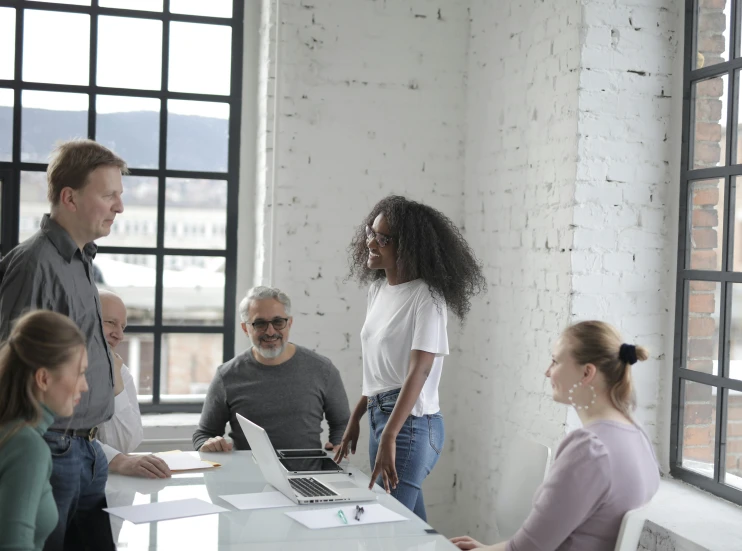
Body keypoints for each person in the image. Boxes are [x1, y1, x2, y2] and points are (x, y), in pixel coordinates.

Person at [0, 139, 126, 551]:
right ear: (70, 197)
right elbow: (12, 360)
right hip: (50, 449)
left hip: (88, 449)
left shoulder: (82, 259)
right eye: (109, 195)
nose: (118, 208)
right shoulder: (35, 262)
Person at [335, 195, 486, 521]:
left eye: (383, 238)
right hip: (382, 417)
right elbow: (381, 369)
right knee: (411, 532)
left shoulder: (427, 297)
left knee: (386, 529)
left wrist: (390, 433)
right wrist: (357, 416)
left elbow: (419, 370)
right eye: (370, 232)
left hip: (411, 425)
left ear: (409, 247)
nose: (371, 242)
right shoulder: (378, 291)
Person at [450, 321, 660, 551]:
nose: (547, 371)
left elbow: (527, 550)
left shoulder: (590, 449)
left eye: (555, 361)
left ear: (587, 372)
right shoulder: (638, 435)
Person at [193, 286, 351, 452]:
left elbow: (342, 422)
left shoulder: (323, 370)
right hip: (247, 476)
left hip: (307, 475)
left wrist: (338, 444)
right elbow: (204, 434)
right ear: (245, 328)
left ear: (289, 323)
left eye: (278, 322)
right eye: (260, 323)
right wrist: (208, 444)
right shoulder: (227, 375)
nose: (270, 331)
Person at [0, 310, 89, 551]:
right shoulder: (27, 446)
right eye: (80, 373)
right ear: (43, 378)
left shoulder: (11, 430)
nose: (85, 385)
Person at [97, 290, 170, 479]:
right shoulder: (60, 371)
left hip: (111, 482)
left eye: (123, 326)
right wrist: (118, 460)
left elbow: (126, 443)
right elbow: (68, 440)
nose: (119, 335)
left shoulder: (120, 370)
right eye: (111, 323)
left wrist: (115, 379)